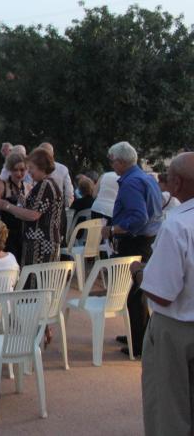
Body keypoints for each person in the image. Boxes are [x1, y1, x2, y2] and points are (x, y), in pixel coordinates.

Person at [139, 152, 194, 435]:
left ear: (178, 183)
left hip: (177, 330)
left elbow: (162, 294)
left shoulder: (177, 224)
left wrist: (140, 273)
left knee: (169, 412)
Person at [100, 141, 163, 357]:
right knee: (137, 291)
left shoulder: (131, 183)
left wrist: (113, 229)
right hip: (147, 240)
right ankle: (138, 334)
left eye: (112, 161)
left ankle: (138, 343)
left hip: (135, 241)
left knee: (134, 294)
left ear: (121, 161)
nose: (112, 165)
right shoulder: (146, 178)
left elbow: (138, 217)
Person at [0, 147, 64, 268]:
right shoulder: (48, 184)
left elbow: (33, 214)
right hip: (41, 242)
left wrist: (6, 205)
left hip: (40, 244)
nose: (29, 172)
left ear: (41, 167)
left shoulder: (44, 185)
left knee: (34, 279)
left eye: (31, 168)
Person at [0, 152, 28, 262]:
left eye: (22, 170)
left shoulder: (28, 187)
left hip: (24, 235)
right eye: (15, 170)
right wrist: (0, 206)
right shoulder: (1, 186)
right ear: (10, 170)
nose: (19, 173)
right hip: (6, 237)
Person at [38, 142, 75, 208]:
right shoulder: (63, 169)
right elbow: (69, 192)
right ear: (52, 154)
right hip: (58, 206)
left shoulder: (34, 168)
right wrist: (66, 206)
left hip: (38, 206)